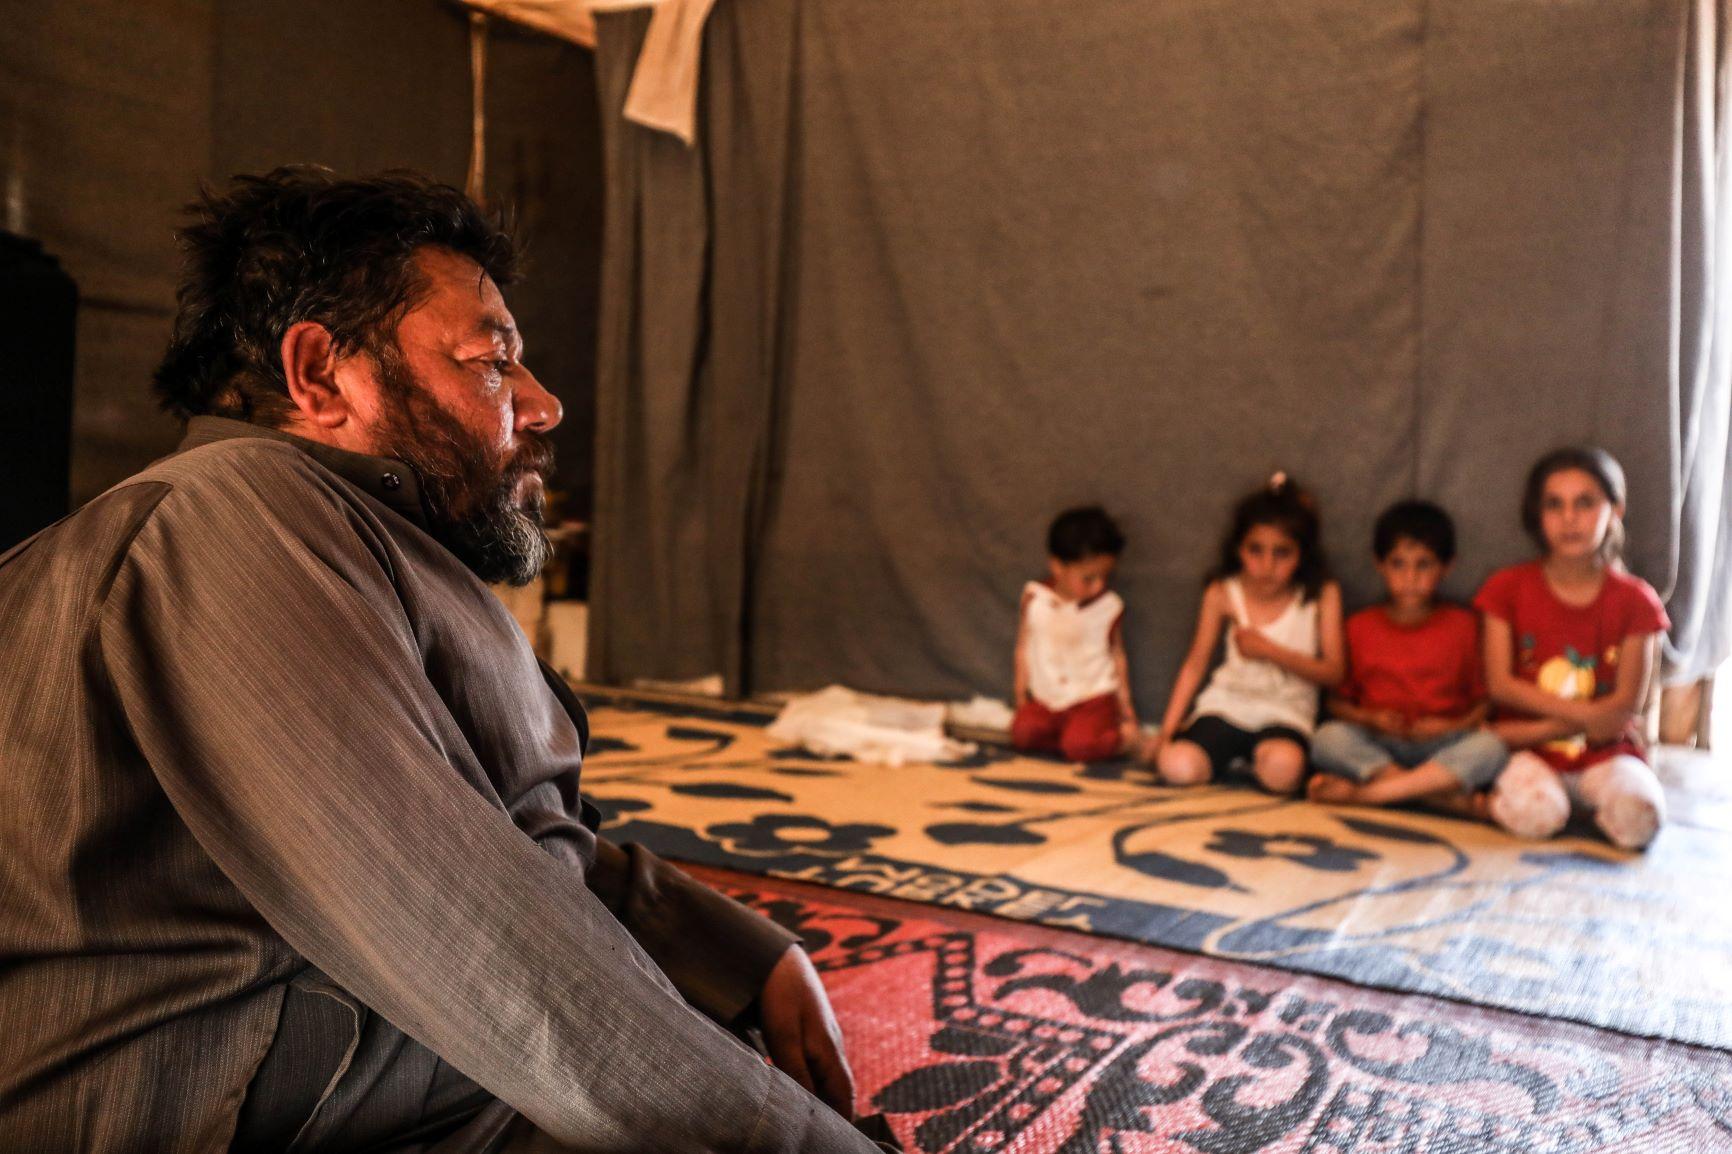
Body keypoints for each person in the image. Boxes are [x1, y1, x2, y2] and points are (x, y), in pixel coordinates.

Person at [0, 169, 891, 1152]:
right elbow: (468, 923)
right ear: (322, 377)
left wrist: (740, 955)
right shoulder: (225, 512)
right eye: (492, 363)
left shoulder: (341, 528)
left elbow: (503, 829)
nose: (543, 404)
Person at [1473, 446, 1670, 849]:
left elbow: (1623, 708)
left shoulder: (1637, 601)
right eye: (1554, 505)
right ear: (1537, 514)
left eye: (1585, 503)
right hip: (1527, 746)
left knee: (1639, 821)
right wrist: (1582, 720)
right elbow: (1501, 685)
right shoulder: (1506, 588)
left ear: (1614, 510)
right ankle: (1478, 803)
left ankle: (1588, 805)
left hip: (1607, 752)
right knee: (1536, 814)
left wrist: (1600, 723)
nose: (1569, 518)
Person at [1147, 473, 1344, 794]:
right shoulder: (1224, 591)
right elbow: (1195, 664)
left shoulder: (1321, 593)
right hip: (1227, 706)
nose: (1267, 566)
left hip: (1286, 713)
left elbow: (1335, 673)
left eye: (1282, 553)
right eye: (1256, 551)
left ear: (1302, 554)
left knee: (1283, 771)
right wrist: (1167, 732)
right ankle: (1225, 756)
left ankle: (1252, 762)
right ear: (1238, 548)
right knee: (1175, 766)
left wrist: (1271, 651)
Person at [1306, 500, 1507, 813]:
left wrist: (1449, 727)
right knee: (1326, 739)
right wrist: (1370, 719)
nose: (1410, 578)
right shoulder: (1359, 627)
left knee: (1492, 747)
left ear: (1446, 567)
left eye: (1423, 565)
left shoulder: (1464, 626)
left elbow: (1485, 703)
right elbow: (1335, 703)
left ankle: (1367, 796)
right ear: (1379, 564)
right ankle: (1438, 798)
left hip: (1443, 746)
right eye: (1398, 564)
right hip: (1379, 745)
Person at [1011, 506, 1141, 762]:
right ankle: (1070, 736)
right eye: (1088, 578)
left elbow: (1117, 656)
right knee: (1023, 733)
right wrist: (1020, 695)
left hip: (1092, 697)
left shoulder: (1108, 607)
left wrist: (1126, 709)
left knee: (1081, 747)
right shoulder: (1035, 598)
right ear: (1057, 567)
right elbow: (1023, 647)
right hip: (1047, 698)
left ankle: (1120, 738)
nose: (1099, 585)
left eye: (1105, 576)